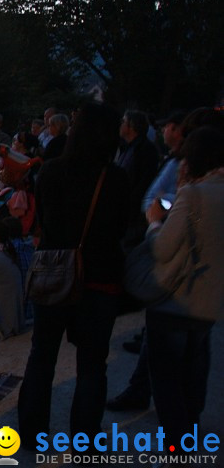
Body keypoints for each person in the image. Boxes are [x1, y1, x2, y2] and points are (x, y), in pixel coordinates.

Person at [17, 103, 130, 449]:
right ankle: (85, 441)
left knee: (42, 356)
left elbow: (45, 224)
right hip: (100, 280)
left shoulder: (50, 172)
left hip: (54, 274)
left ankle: (33, 437)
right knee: (93, 365)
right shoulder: (116, 179)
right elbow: (122, 229)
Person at [144, 126, 224, 444]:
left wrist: (153, 222)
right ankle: (189, 437)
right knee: (194, 373)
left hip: (176, 299)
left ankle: (177, 451)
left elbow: (164, 248)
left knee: (167, 380)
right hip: (211, 300)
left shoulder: (193, 194)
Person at [115, 109, 160, 249]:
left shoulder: (145, 150)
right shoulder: (127, 148)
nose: (120, 125)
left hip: (133, 214)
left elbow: (144, 182)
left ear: (131, 126)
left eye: (123, 122)